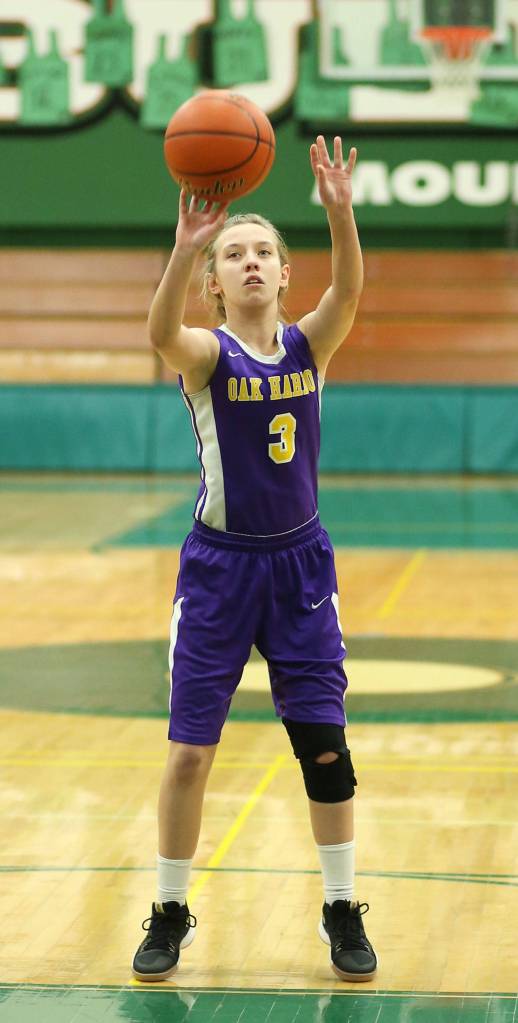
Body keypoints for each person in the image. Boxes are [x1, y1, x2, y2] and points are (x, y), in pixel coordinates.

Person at [132, 135, 377, 984]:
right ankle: (169, 908)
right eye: (233, 254)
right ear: (217, 281)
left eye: (263, 252)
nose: (248, 263)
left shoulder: (312, 345)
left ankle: (342, 906)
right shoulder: (206, 354)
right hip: (220, 572)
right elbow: (162, 331)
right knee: (191, 751)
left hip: (301, 569)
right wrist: (183, 248)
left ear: (282, 275)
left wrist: (339, 213)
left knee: (324, 746)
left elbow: (350, 287)